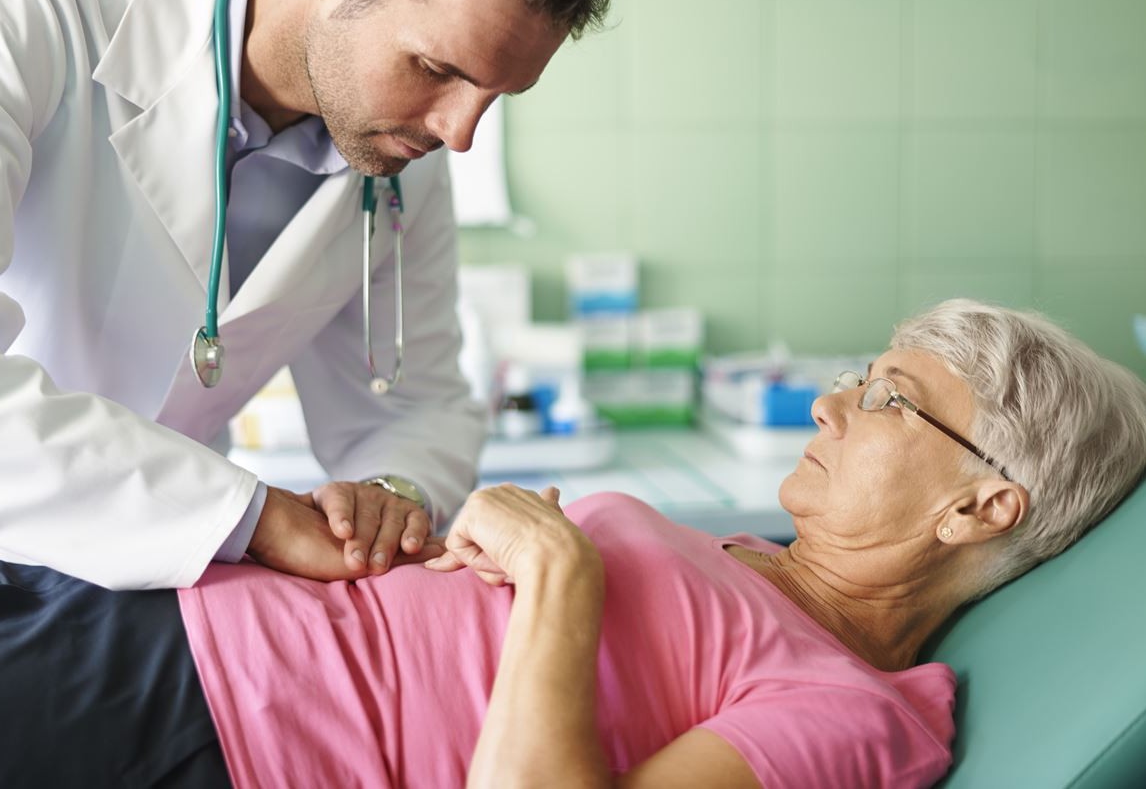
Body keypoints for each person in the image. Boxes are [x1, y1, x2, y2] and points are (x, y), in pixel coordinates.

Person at [3, 299, 1144, 787]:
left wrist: (555, 567)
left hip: (214, 722)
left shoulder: (857, 711)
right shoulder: (755, 561)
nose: (829, 405)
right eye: (855, 376)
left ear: (980, 507)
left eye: (888, 398)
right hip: (177, 596)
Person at [0, 0, 609, 589]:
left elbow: (412, 406)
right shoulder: (31, 0)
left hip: (169, 588)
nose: (458, 134)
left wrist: (389, 497)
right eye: (436, 70)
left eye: (494, 97)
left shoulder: (401, 157)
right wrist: (255, 518)